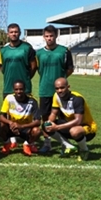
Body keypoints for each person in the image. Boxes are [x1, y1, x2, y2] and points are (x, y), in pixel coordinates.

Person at [36, 25, 74, 153]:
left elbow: (70, 68)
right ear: (43, 37)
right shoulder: (39, 53)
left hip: (60, 91)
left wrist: (61, 81)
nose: (49, 38)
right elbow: (37, 69)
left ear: (56, 36)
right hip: (45, 89)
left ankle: (64, 143)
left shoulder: (64, 51)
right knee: (46, 118)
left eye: (51, 36)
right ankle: (47, 144)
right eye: (47, 36)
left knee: (62, 117)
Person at [44, 78, 97, 161]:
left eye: (62, 88)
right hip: (70, 124)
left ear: (68, 87)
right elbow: (53, 113)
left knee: (74, 131)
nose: (59, 91)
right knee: (46, 126)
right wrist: (49, 123)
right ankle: (70, 147)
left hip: (87, 127)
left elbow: (78, 121)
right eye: (57, 88)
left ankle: (84, 150)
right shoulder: (56, 96)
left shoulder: (77, 99)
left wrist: (57, 127)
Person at [0, 80, 42, 157]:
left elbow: (38, 121)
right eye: (16, 89)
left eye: (21, 89)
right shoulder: (9, 98)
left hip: (25, 128)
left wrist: (21, 126)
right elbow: (1, 116)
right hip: (12, 127)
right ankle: (7, 143)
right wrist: (10, 123)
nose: (19, 91)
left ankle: (27, 144)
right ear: (13, 90)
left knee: (37, 131)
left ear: (24, 89)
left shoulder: (32, 101)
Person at [0, 23, 36, 97]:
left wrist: (26, 77)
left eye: (16, 32)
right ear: (8, 34)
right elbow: (2, 68)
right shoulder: (3, 50)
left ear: (20, 33)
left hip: (24, 88)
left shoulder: (27, 48)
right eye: (11, 32)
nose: (14, 34)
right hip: (8, 88)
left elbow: (34, 66)